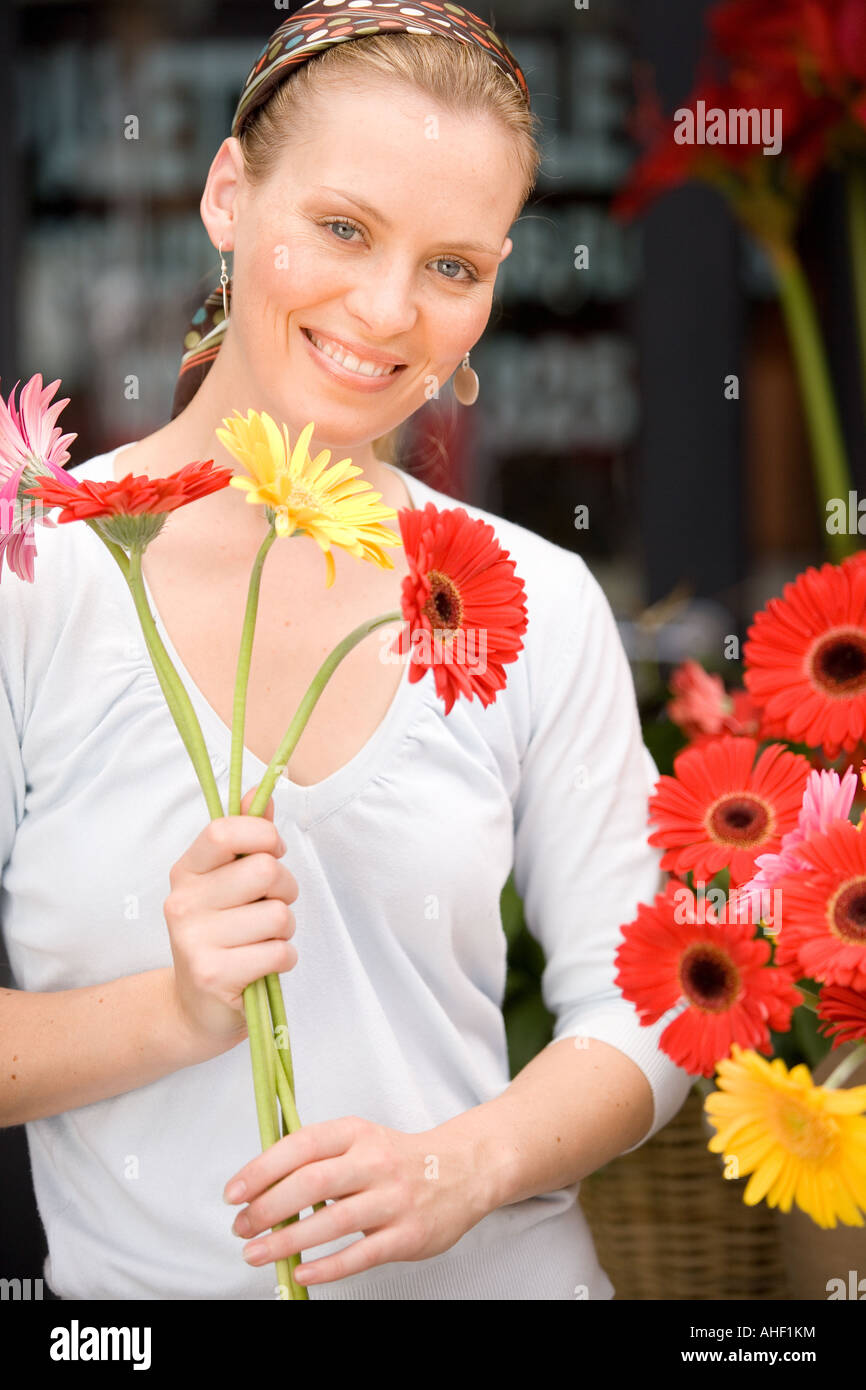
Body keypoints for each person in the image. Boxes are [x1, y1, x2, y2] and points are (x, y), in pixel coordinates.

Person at [0, 2, 695, 1301]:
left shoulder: (530, 602)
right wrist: (180, 1010)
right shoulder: (35, 577)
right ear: (226, 192)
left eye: (453, 267)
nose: (385, 312)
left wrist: (466, 1166)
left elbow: (650, 1001)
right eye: (341, 228)